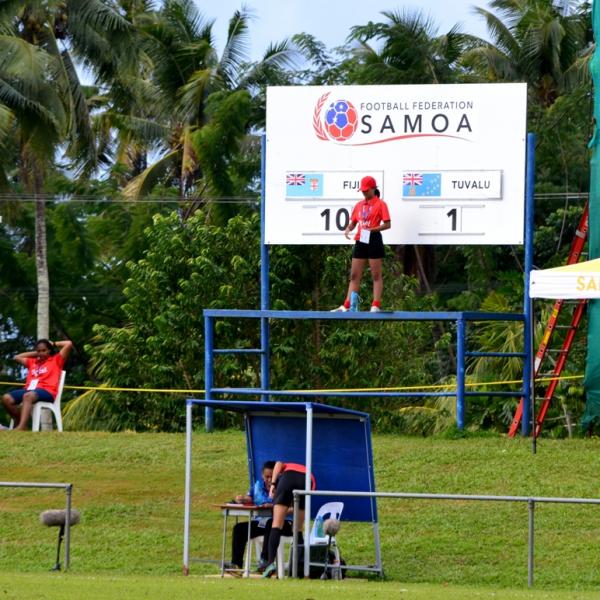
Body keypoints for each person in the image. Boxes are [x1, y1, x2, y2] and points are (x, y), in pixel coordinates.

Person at [332, 175, 391, 312]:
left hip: (374, 238)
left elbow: (387, 224)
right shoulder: (359, 205)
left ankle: (375, 305)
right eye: (362, 190)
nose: (364, 192)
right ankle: (347, 305)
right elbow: (354, 222)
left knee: (376, 275)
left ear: (373, 189)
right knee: (354, 275)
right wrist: (348, 229)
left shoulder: (381, 204)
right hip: (361, 239)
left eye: (366, 190)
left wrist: (372, 229)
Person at [227, 460, 293, 574]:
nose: (268, 480)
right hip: (261, 522)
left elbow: (293, 508)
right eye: (266, 476)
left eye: (271, 477)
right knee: (239, 528)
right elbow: (251, 498)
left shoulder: (284, 487)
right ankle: (236, 565)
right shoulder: (257, 486)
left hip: (283, 524)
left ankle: (266, 562)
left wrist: (274, 508)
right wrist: (242, 499)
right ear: (262, 476)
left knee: (270, 523)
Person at [2, 339, 72, 431]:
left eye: (44, 350)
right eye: (39, 351)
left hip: (47, 391)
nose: (41, 353)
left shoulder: (56, 360)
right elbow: (17, 357)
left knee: (28, 396)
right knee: (6, 398)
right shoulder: (33, 362)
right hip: (29, 390)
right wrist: (37, 353)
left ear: (49, 350)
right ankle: (18, 420)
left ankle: (21, 427)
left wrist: (54, 343)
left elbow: (69, 344)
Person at [262, 461, 316, 578]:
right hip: (308, 480)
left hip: (288, 478)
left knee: (276, 525)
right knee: (298, 529)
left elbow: (278, 464)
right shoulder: (307, 473)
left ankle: (270, 563)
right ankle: (298, 567)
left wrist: (273, 484)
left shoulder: (286, 467)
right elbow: (298, 510)